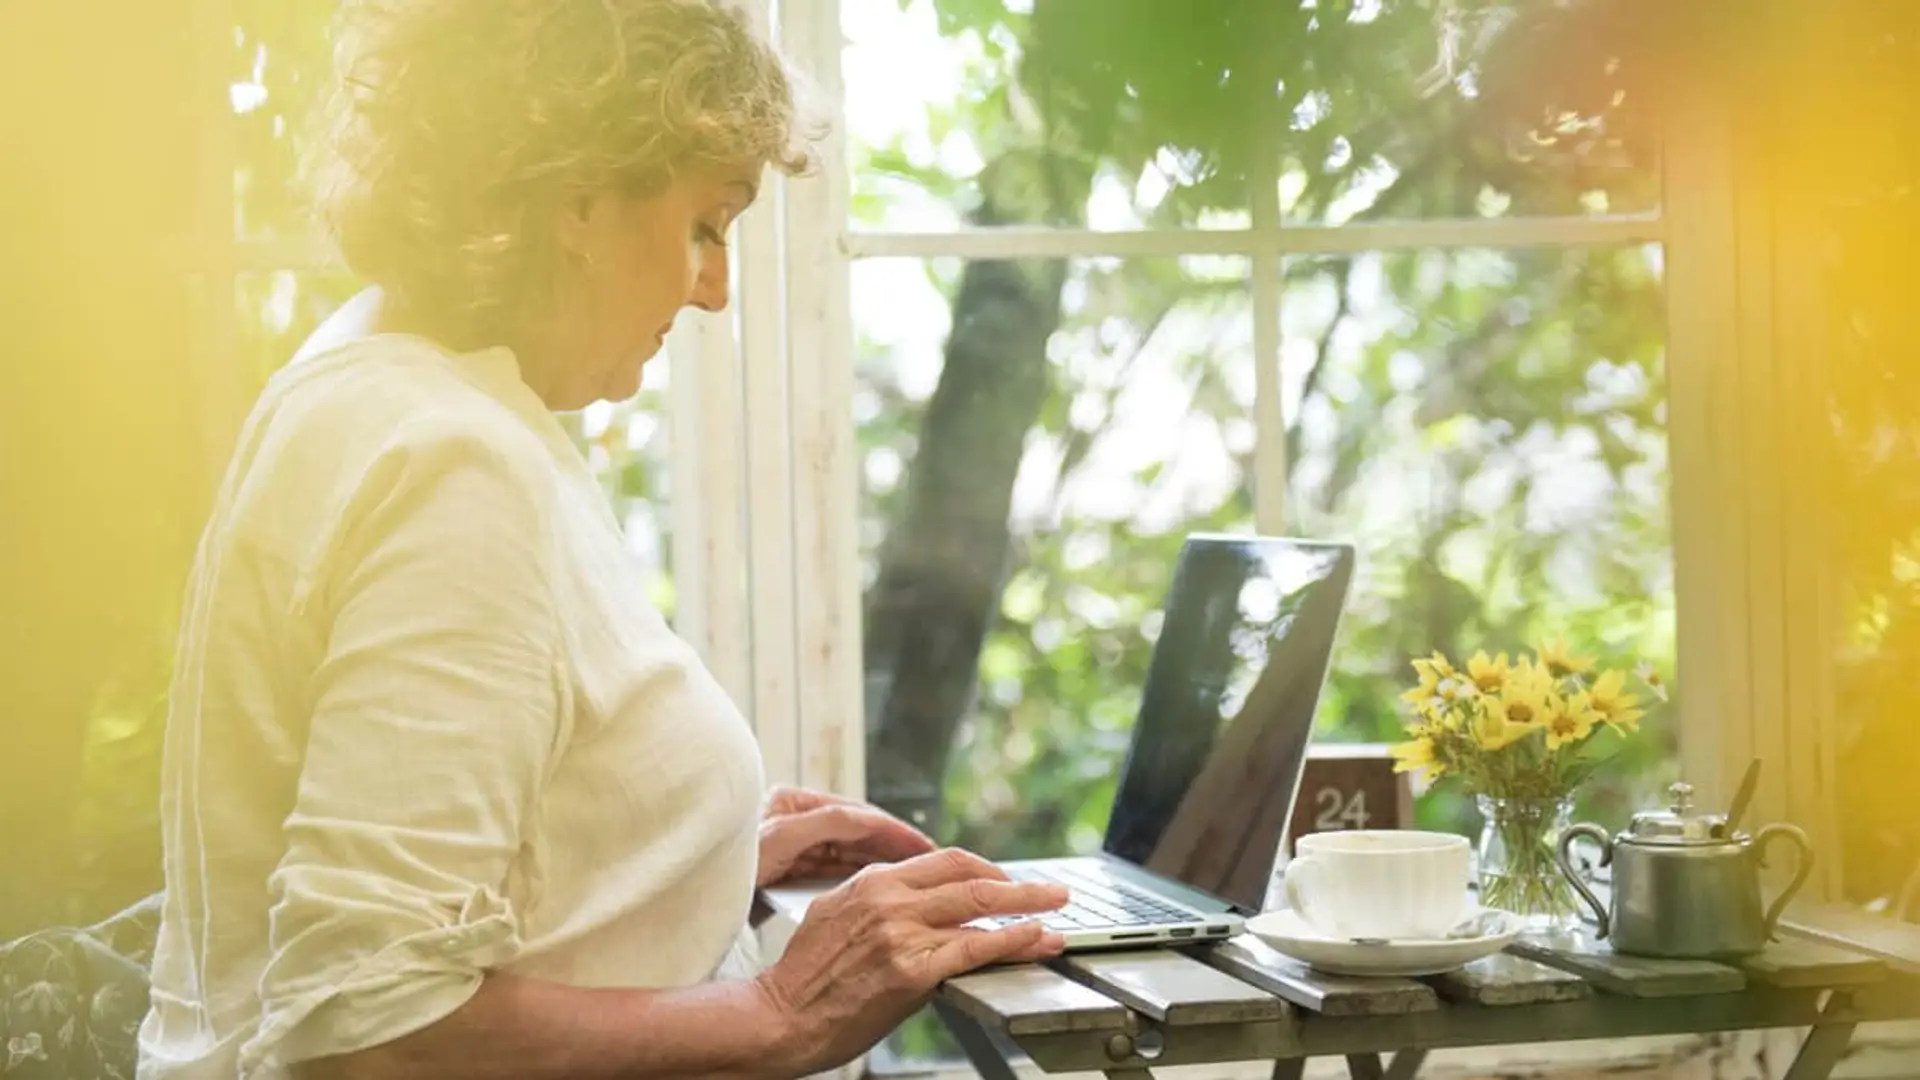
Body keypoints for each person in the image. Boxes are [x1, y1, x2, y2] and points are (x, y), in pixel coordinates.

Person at [135, 2, 1068, 1078]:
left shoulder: (368, 374)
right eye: (706, 227)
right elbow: (376, 1023)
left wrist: (690, 856)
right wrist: (785, 1012)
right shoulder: (455, 464)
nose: (715, 290)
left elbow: (432, 824)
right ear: (577, 194)